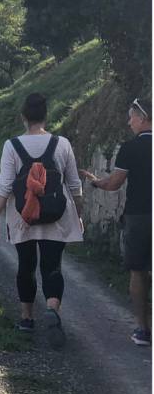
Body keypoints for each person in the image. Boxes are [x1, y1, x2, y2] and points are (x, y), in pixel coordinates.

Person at [0, 93, 83, 349]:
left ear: (23, 117)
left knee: (26, 266)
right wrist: (79, 216)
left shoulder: (12, 145)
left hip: (23, 217)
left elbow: (5, 185)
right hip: (56, 214)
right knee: (52, 266)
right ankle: (52, 307)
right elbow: (74, 184)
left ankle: (27, 318)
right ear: (45, 116)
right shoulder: (61, 144)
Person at [79, 97, 152, 346]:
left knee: (138, 271)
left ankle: (143, 330)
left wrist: (94, 180)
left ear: (143, 118)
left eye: (131, 116)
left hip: (140, 216)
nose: (128, 121)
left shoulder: (130, 148)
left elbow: (114, 184)